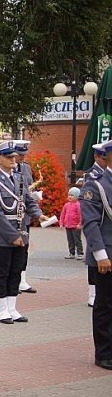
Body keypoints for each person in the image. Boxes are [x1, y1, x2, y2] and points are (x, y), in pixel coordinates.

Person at [0, 141, 47, 325]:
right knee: (2, 271)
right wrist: (13, 236)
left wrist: (39, 215)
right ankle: (2, 309)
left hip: (22, 232)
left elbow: (28, 201)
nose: (14, 159)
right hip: (4, 235)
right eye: (9, 157)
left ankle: (12, 308)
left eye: (14, 156)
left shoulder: (19, 178)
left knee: (16, 270)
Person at [80, 139, 112, 370]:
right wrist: (100, 255)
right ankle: (104, 353)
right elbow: (90, 223)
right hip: (107, 254)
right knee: (106, 305)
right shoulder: (96, 184)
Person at [82, 144, 108, 307]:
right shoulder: (92, 175)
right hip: (97, 220)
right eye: (104, 158)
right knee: (93, 256)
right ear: (97, 157)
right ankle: (92, 292)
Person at [13, 140, 38, 293]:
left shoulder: (27, 167)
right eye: (19, 155)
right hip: (12, 215)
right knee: (12, 250)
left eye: (24, 155)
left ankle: (22, 280)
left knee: (24, 248)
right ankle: (12, 281)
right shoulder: (4, 169)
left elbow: (30, 186)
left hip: (25, 215)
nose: (22, 157)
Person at [60, 187, 84, 260]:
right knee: (70, 240)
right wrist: (61, 223)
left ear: (77, 196)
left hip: (75, 226)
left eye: (72, 195)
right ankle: (72, 253)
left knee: (77, 240)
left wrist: (80, 224)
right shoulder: (66, 205)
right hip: (68, 226)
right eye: (69, 195)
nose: (70, 196)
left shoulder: (78, 205)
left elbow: (80, 215)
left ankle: (80, 253)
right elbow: (62, 214)